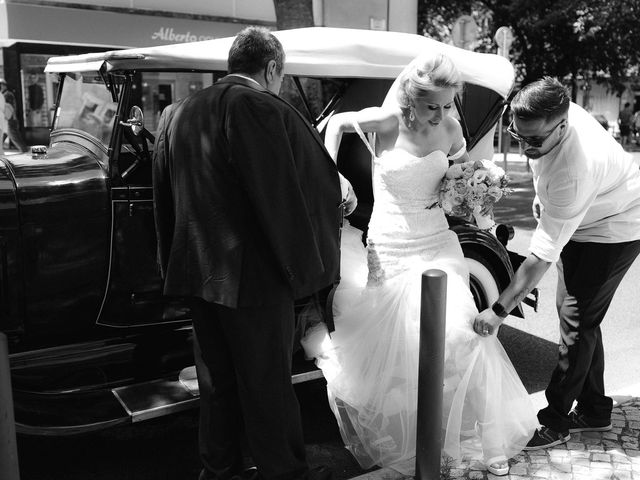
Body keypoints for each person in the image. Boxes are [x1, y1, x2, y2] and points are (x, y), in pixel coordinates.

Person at [302, 53, 537, 476]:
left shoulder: (450, 127)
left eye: (448, 105)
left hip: (436, 241)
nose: (442, 115)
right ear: (411, 99)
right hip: (390, 245)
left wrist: (474, 186)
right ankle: (419, 444)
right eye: (433, 106)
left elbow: (458, 175)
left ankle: (489, 438)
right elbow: (335, 125)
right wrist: (332, 174)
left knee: (462, 338)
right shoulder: (386, 120)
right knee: (400, 352)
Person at [153, 26, 354, 480]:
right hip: (256, 278)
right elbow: (281, 194)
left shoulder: (176, 112)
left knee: (216, 384)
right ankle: (283, 473)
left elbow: (164, 196)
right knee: (266, 386)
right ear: (271, 68)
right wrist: (307, 272)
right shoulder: (260, 106)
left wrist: (172, 264)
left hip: (197, 272)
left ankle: (219, 469)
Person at [475, 77, 640, 450]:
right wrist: (543, 200)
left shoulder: (573, 171)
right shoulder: (551, 109)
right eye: (517, 136)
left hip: (616, 226)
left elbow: (538, 260)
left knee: (577, 320)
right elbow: (544, 169)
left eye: (534, 141)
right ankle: (596, 410)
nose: (526, 146)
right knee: (577, 318)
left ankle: (556, 420)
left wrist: (498, 310)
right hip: (582, 217)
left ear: (562, 126)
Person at [0, 79, 28, 153]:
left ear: (3, 85)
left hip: (10, 120)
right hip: (7, 120)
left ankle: (24, 152)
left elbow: (9, 109)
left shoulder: (7, 94)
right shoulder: (4, 94)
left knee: (15, 138)